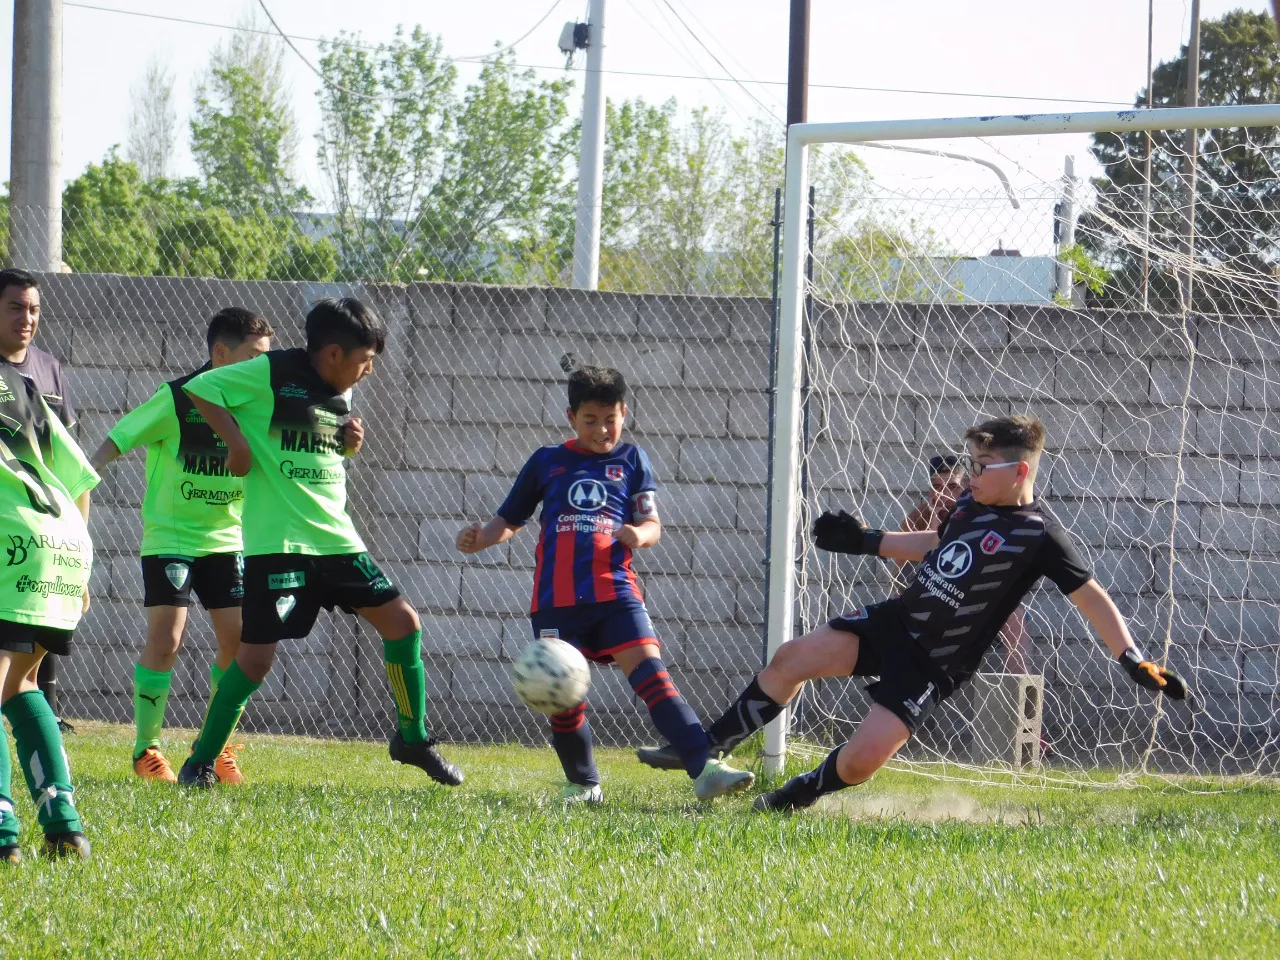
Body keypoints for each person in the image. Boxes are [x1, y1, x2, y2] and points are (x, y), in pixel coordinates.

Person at [643, 415, 1187, 812]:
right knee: (792, 657)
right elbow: (933, 543)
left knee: (860, 762)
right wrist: (864, 541)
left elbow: (1091, 597)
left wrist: (1132, 658)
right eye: (968, 462)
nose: (968, 474)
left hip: (936, 661)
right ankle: (708, 747)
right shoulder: (969, 505)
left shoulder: (1040, 535)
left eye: (980, 465)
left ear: (1020, 470)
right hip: (896, 622)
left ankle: (794, 795)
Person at [174, 297, 461, 789]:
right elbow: (200, 388)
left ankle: (412, 738)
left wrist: (346, 443)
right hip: (280, 541)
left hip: (336, 540)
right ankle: (200, 761)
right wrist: (237, 444)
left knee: (402, 624)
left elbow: (315, 451)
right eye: (364, 360)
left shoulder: (340, 389)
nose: (368, 371)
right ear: (332, 353)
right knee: (255, 660)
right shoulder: (269, 371)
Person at [455, 365, 754, 803]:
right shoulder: (546, 461)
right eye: (590, 420)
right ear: (571, 417)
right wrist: (481, 538)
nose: (601, 430)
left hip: (615, 593)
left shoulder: (632, 459)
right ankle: (583, 784)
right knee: (563, 697)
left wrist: (640, 535)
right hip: (555, 603)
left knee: (652, 674)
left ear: (624, 413)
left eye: (610, 419)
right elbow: (509, 519)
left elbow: (651, 522)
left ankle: (705, 768)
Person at [91, 308, 274, 784]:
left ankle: (214, 749)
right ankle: (146, 751)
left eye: (265, 359)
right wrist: (80, 483)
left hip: (226, 541)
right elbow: (117, 439)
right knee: (166, 640)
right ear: (220, 353)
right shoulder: (175, 399)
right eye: (253, 357)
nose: (260, 367)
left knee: (238, 646)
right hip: (171, 539)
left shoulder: (258, 402)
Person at [0, 363, 99, 861]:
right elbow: (79, 476)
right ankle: (64, 828)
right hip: (62, 547)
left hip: (10, 542)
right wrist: (76, 565)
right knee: (20, 684)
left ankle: (1, 833)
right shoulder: (23, 386)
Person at [0, 268, 78, 733]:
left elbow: (68, 466)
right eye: (15, 307)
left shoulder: (47, 370)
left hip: (38, 536)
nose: (26, 319)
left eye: (33, 310)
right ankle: (56, 802)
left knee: (21, 674)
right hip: (23, 536)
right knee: (20, 681)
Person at [901, 453, 1031, 673]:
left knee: (1014, 616)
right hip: (934, 594)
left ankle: (1018, 686)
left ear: (967, 487)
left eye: (952, 487)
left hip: (979, 599)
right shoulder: (918, 517)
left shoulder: (985, 514)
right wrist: (934, 526)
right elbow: (900, 577)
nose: (944, 495)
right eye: (937, 486)